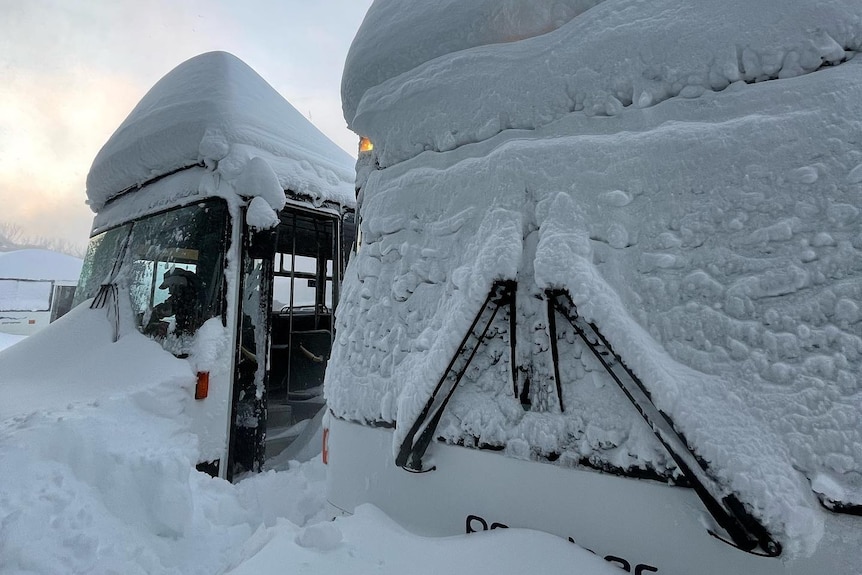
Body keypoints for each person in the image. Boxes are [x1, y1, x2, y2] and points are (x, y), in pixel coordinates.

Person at [145, 267, 202, 336]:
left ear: (174, 284)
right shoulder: (192, 294)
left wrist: (148, 317)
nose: (169, 290)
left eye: (169, 286)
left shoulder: (182, 297)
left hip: (190, 335)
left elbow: (166, 309)